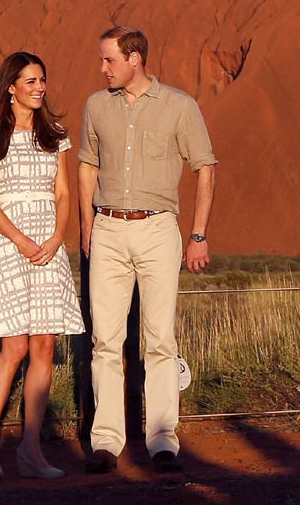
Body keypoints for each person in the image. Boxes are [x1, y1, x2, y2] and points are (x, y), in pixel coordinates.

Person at [77, 26, 217, 474]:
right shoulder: (97, 106)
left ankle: (161, 441)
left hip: (159, 229)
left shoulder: (180, 106)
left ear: (134, 58)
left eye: (109, 60)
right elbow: (87, 166)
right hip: (109, 227)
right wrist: (87, 228)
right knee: (105, 340)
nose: (102, 69)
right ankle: (106, 441)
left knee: (160, 339)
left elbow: (205, 167)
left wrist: (198, 234)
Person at [0, 51, 84, 479]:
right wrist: (20, 239)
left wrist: (55, 239)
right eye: (30, 81)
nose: (39, 88)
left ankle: (31, 450)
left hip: (48, 248)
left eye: (42, 80)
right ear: (11, 87)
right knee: (13, 347)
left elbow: (64, 194)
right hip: (9, 244)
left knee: (45, 347)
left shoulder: (56, 136)